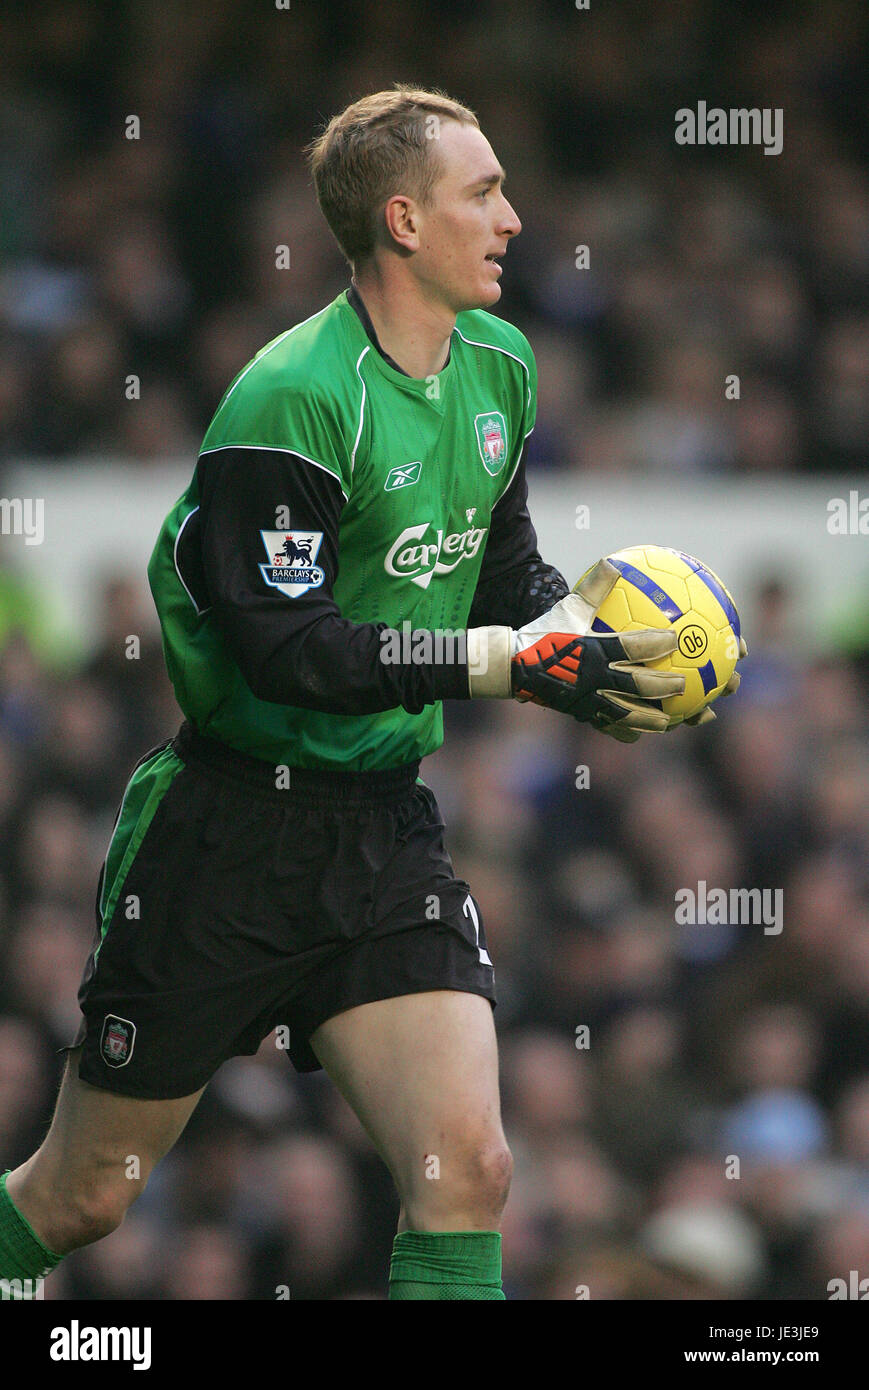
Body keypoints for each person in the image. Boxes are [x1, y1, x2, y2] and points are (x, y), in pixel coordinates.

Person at [0, 86, 690, 1301]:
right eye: (484, 193)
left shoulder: (501, 365)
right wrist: (505, 666)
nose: (515, 218)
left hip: (381, 827)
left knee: (466, 1166)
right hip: (227, 832)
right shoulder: (290, 397)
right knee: (85, 1197)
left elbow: (496, 568)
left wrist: (595, 644)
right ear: (402, 221)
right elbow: (289, 649)